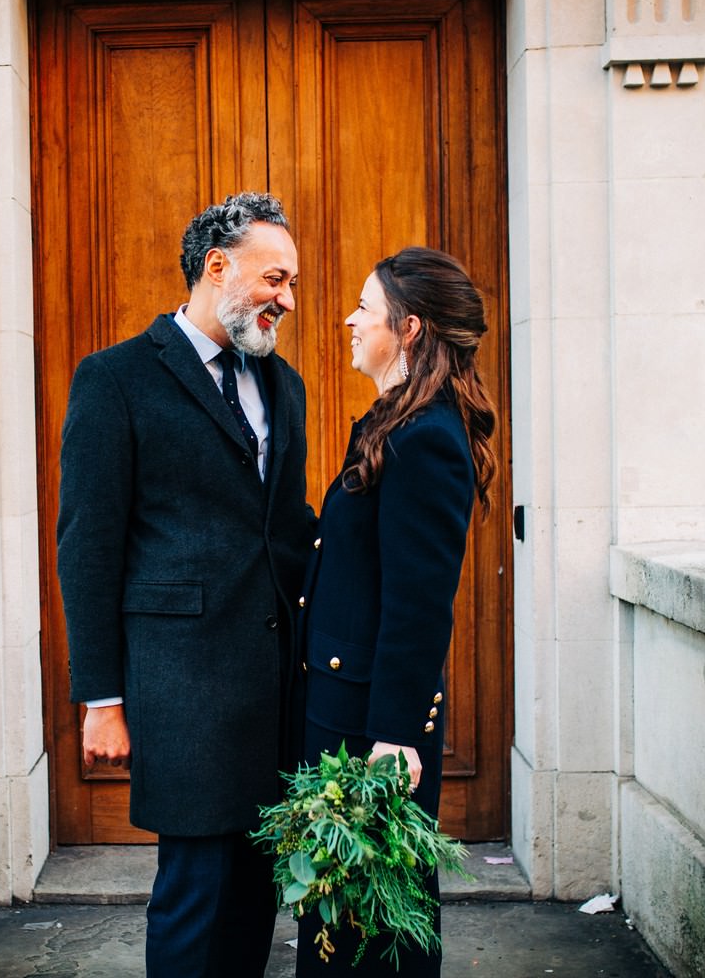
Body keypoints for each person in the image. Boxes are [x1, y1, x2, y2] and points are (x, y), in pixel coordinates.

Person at [56, 192, 313, 978]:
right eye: (275, 279)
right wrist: (101, 697)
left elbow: (286, 526)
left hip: (277, 691)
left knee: (255, 897)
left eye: (292, 283)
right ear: (217, 267)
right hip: (183, 692)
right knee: (194, 896)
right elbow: (87, 548)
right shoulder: (115, 380)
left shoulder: (286, 386)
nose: (289, 301)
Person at [294, 247, 498, 976]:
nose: (350, 319)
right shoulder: (393, 425)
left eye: (364, 308)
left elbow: (419, 606)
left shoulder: (427, 441)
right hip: (341, 712)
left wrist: (393, 737)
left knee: (374, 934)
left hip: (370, 731)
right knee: (344, 922)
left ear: (408, 329)